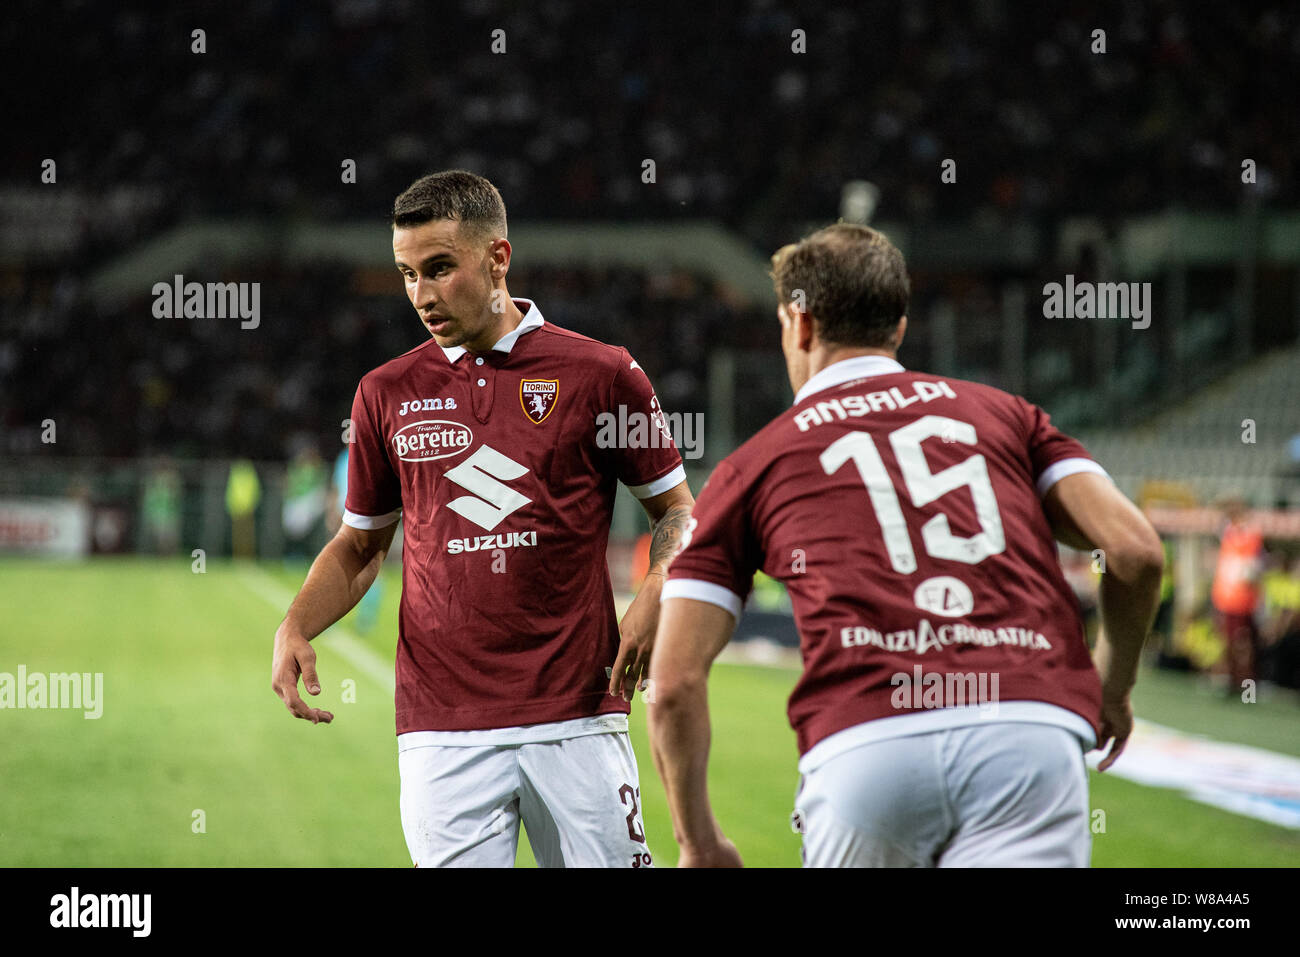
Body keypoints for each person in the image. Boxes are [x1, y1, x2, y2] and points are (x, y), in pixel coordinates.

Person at [647, 224, 1163, 868]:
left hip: (867, 743)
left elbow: (671, 683)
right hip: (1025, 729)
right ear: (897, 327)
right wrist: (1111, 688)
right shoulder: (1006, 416)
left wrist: (699, 844)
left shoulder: (754, 464)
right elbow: (1137, 552)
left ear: (799, 325)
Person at [271, 170, 693, 867]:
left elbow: (678, 512)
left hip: (579, 713)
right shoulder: (384, 393)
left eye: (440, 268)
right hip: (442, 728)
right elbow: (359, 545)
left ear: (498, 257)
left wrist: (655, 593)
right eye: (407, 274)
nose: (422, 295)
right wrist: (296, 622)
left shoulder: (603, 375)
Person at [1210, 496, 1265, 694]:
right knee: (1230, 643)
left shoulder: (1250, 535)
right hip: (1226, 599)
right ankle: (1234, 682)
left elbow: (1252, 569)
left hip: (1243, 601)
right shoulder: (1229, 533)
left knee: (1244, 645)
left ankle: (1247, 688)